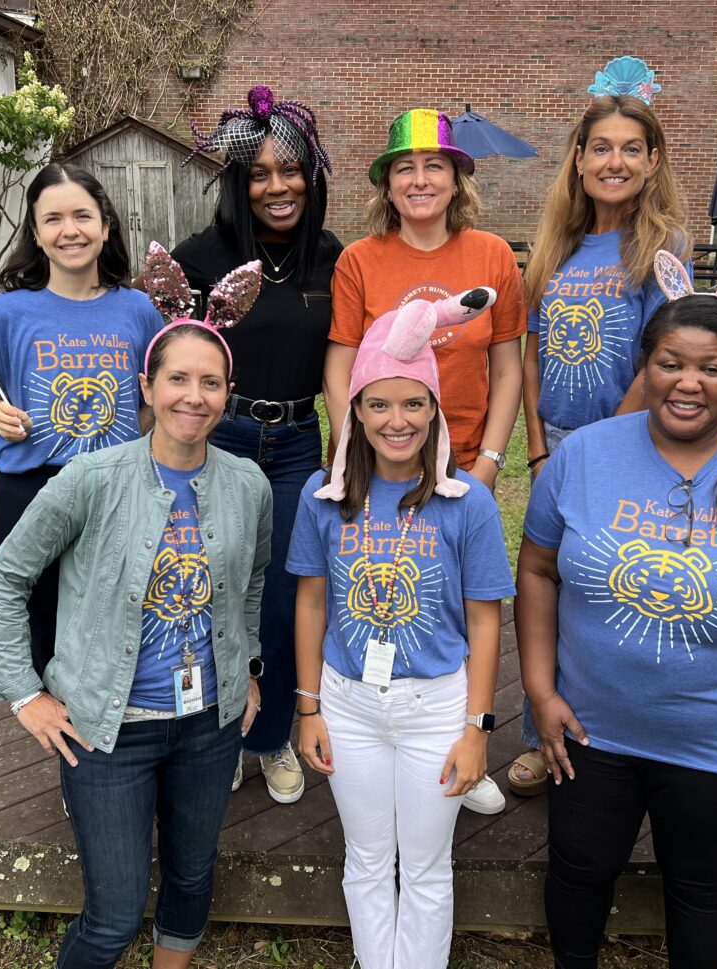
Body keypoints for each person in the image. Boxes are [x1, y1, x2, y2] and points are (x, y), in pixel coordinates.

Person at [515, 251, 717, 969]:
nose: (689, 382)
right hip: (590, 734)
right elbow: (538, 569)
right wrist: (541, 692)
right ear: (646, 364)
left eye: (713, 366)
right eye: (671, 361)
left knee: (699, 889)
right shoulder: (583, 458)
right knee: (578, 873)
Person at [0, 262, 272, 969]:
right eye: (177, 378)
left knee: (191, 877)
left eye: (211, 382)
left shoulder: (249, 484)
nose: (193, 396)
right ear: (146, 386)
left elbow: (252, 580)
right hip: (106, 733)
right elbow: (8, 575)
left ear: (228, 394)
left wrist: (250, 666)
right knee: (112, 916)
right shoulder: (90, 478)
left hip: (209, 725)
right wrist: (25, 692)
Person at [289, 290, 515, 969]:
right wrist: (309, 708)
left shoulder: (465, 502)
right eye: (379, 403)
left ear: (435, 410)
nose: (397, 419)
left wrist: (476, 727)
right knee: (364, 858)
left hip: (435, 709)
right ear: (354, 409)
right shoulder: (323, 496)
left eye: (414, 402)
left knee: (423, 865)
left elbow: (484, 616)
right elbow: (310, 604)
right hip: (349, 704)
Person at [324, 107, 525, 813]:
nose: (419, 179)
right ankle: (385, 731)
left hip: (463, 463)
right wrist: (355, 452)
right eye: (404, 167)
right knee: (387, 585)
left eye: (433, 165)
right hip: (383, 463)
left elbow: (507, 369)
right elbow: (341, 367)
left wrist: (491, 463)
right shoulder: (360, 260)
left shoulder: (493, 255)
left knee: (465, 601)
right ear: (386, 182)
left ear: (457, 176)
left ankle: (465, 741)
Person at [510, 89, 691, 798]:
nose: (614, 161)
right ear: (579, 160)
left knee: (616, 591)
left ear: (651, 162)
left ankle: (615, 736)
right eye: (602, 148)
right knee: (546, 586)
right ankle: (538, 731)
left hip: (629, 445)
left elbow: (666, 359)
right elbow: (531, 352)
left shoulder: (664, 248)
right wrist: (535, 444)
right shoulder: (555, 246)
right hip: (554, 444)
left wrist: (610, 443)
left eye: (631, 149)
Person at [171, 84, 342, 803]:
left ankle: (269, 737)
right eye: (260, 174)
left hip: (299, 442)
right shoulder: (201, 255)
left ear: (312, 177)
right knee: (208, 585)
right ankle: (206, 734)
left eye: (291, 170)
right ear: (238, 183)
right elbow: (169, 356)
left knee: (280, 592)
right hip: (222, 437)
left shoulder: (332, 257)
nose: (278, 187)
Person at [0, 162, 161, 677]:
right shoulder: (7, 313)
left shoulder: (140, 310)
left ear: (105, 224)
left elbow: (153, 400)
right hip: (30, 486)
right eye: (53, 219)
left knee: (116, 610)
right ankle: (50, 712)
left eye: (82, 215)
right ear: (35, 232)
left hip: (116, 486)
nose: (69, 230)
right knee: (38, 614)